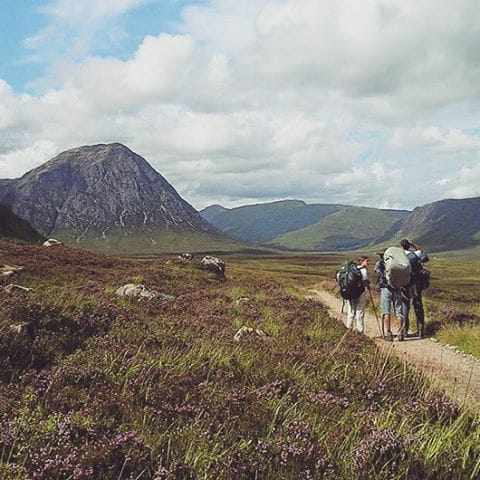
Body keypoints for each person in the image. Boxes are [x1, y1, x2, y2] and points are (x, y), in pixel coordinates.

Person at [374, 250, 406, 341]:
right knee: (399, 312)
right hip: (398, 289)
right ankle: (400, 333)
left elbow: (376, 271)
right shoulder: (397, 262)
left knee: (386, 312)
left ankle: (388, 333)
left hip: (385, 289)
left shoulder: (380, 263)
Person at [400, 238, 429, 338]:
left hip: (403, 284)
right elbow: (421, 250)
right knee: (418, 306)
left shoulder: (399, 256)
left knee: (404, 307)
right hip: (415, 284)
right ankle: (421, 331)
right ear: (408, 246)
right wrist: (412, 244)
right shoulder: (414, 254)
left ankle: (404, 331)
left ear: (401, 246)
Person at [346, 256, 370, 334]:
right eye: (367, 261)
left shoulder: (352, 270)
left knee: (351, 312)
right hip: (360, 294)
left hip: (350, 293)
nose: (368, 263)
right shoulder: (363, 270)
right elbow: (365, 282)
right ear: (362, 261)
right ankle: (360, 332)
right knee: (360, 313)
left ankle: (348, 330)